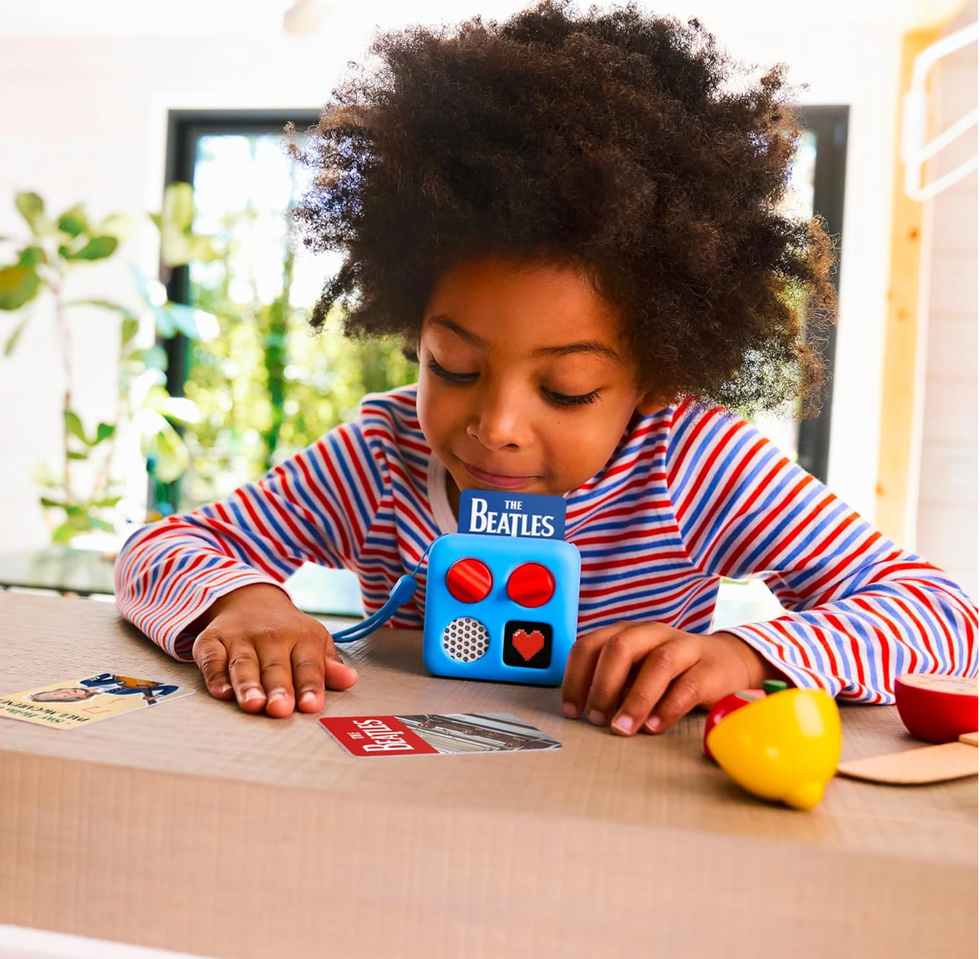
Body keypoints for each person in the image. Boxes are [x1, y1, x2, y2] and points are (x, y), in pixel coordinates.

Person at [115, 1, 977, 732]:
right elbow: (160, 546)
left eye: (566, 389)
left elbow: (946, 617)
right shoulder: (381, 458)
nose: (496, 426)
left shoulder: (692, 465)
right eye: (454, 365)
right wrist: (243, 601)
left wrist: (745, 652)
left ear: (657, 376)